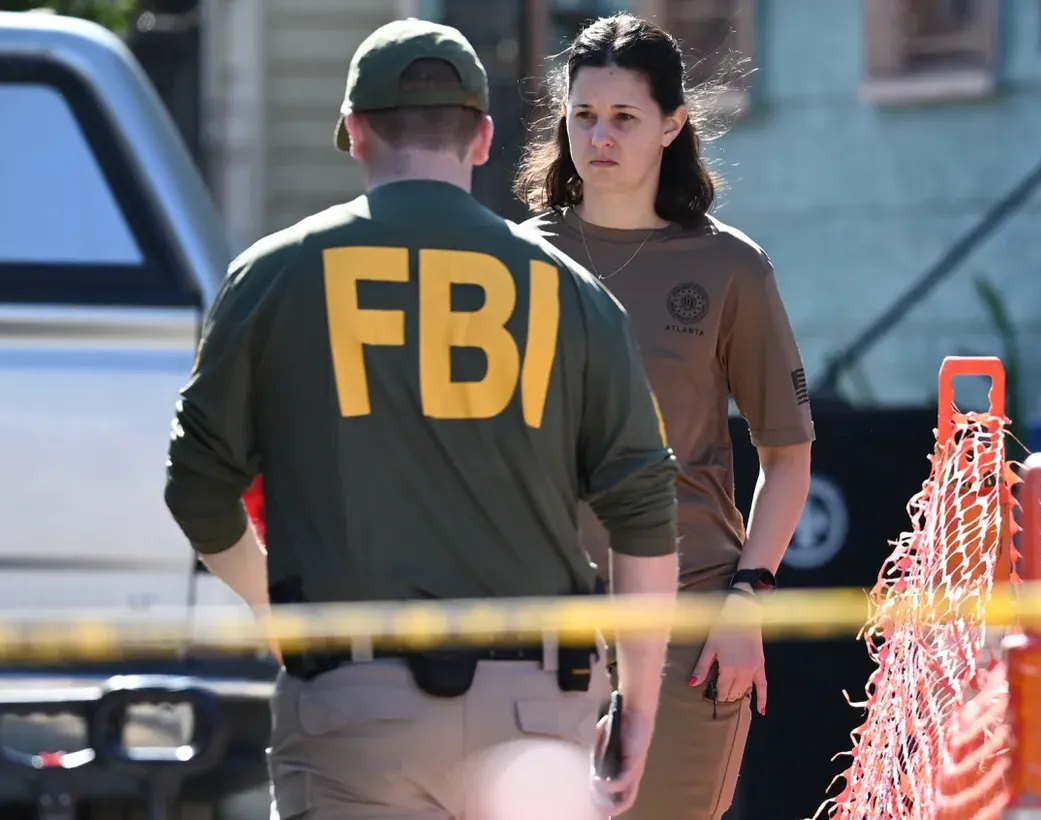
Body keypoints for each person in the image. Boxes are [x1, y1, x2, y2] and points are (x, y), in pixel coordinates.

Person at [164, 18, 679, 819]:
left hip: (350, 705)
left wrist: (276, 608)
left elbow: (196, 487)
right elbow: (645, 516)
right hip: (537, 714)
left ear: (355, 133)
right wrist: (640, 709)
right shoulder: (576, 295)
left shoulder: (273, 277)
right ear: (481, 138)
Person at [515, 13, 815, 820]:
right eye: (582, 115)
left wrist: (748, 599)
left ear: (673, 124)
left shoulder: (731, 268)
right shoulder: (510, 264)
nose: (597, 137)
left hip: (689, 618)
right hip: (537, 629)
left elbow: (788, 456)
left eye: (623, 118)